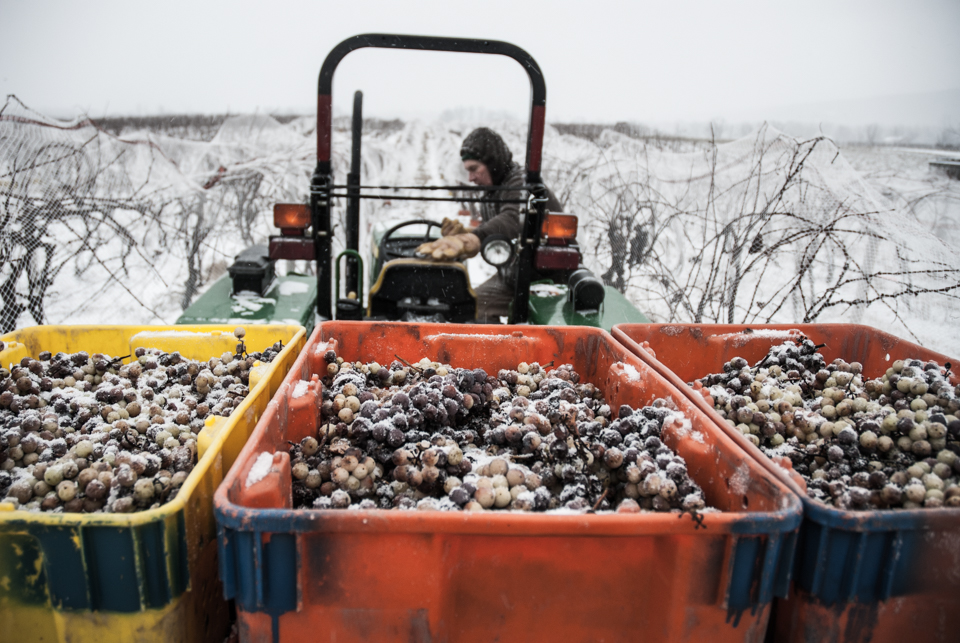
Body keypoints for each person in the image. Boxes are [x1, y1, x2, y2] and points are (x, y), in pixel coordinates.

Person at [417, 127, 562, 321]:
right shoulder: (491, 191)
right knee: (470, 306)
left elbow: (514, 218)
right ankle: (488, 348)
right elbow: (498, 230)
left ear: (493, 164)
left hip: (548, 279)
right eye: (467, 171)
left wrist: (476, 237)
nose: (470, 178)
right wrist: (466, 233)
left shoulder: (522, 183)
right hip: (513, 278)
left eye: (474, 169)